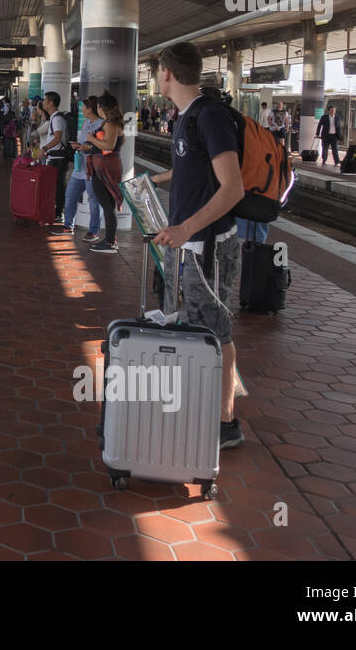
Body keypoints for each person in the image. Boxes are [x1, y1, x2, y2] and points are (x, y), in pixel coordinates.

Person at [149, 41, 246, 450]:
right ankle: (200, 402)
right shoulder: (185, 117)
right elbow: (195, 168)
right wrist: (158, 181)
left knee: (214, 332)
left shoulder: (210, 116)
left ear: (168, 73)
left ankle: (226, 423)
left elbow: (233, 188)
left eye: (157, 71)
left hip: (209, 247)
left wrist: (187, 228)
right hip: (189, 245)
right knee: (190, 324)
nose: (156, 78)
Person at [81, 92, 125, 254]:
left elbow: (108, 146)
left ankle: (110, 242)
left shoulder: (111, 125)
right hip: (103, 166)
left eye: (98, 105)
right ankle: (109, 239)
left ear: (102, 108)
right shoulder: (109, 124)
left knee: (107, 205)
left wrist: (91, 139)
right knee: (107, 204)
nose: (97, 108)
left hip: (105, 168)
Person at [63, 96, 103, 241]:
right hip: (80, 167)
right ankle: (68, 225)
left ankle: (94, 230)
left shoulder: (102, 125)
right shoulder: (86, 122)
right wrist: (78, 146)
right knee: (70, 195)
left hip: (92, 168)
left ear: (91, 108)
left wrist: (85, 146)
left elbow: (101, 146)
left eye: (84, 107)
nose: (82, 109)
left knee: (93, 199)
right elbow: (83, 142)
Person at [37, 91, 71, 224]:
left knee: (58, 187)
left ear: (51, 103)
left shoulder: (57, 119)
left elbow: (57, 138)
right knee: (55, 186)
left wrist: (44, 149)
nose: (43, 103)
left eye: (45, 100)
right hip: (55, 158)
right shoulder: (54, 118)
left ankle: (58, 214)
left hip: (58, 159)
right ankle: (56, 212)